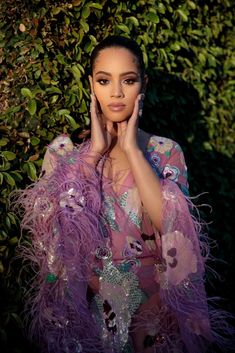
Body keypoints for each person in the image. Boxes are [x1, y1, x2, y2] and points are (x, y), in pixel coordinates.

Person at [17, 35, 233, 353]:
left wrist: (132, 149)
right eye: (105, 81)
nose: (116, 93)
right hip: (86, 310)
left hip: (155, 312)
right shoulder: (64, 153)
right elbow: (58, 238)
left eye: (128, 81)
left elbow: (173, 230)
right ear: (91, 84)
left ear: (143, 84)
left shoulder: (164, 152)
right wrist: (95, 152)